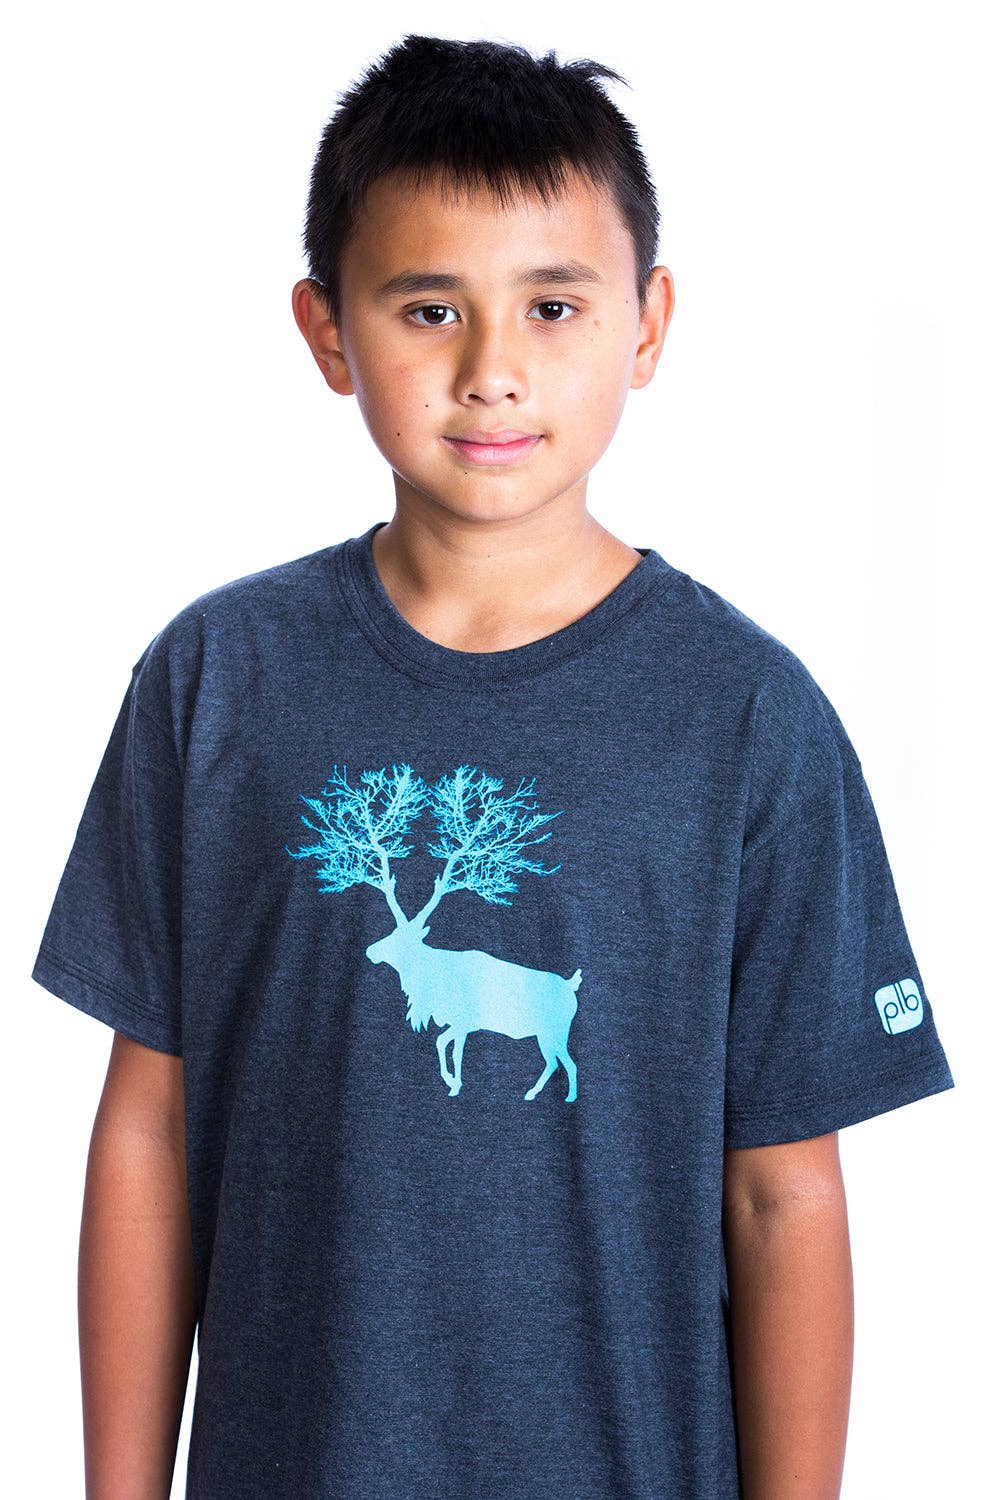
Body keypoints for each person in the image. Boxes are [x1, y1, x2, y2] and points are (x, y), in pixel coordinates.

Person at [31, 33, 955, 1500]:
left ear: (648, 325)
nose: (492, 371)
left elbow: (786, 1196)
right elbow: (148, 1128)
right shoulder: (217, 685)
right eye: (428, 308)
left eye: (553, 305)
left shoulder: (749, 721)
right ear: (327, 331)